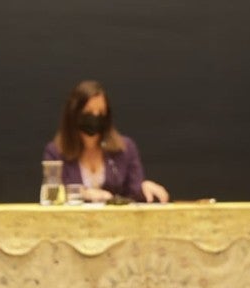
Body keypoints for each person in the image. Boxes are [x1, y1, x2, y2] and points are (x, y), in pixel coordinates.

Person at [42, 80, 170, 203]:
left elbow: (134, 193)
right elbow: (53, 196)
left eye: (101, 112)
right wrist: (84, 193)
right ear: (74, 114)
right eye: (89, 112)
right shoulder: (55, 152)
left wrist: (144, 187)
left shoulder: (125, 149)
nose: (95, 117)